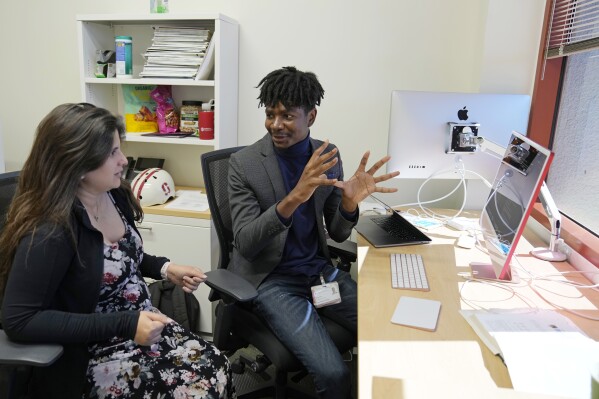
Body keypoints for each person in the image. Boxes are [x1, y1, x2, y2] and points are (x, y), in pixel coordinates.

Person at [0, 103, 235, 399]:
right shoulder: (51, 231)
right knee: (198, 388)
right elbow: (19, 320)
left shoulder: (113, 194)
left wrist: (165, 268)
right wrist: (125, 323)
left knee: (217, 365)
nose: (123, 160)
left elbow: (122, 258)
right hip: (94, 349)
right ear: (79, 162)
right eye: (112, 153)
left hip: (141, 325)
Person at [228, 66, 398, 398]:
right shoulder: (244, 164)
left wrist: (349, 204)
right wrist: (294, 197)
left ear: (312, 115)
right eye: (270, 115)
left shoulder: (327, 157)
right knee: (334, 375)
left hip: (319, 273)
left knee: (388, 330)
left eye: (287, 116)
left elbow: (336, 232)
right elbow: (246, 243)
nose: (276, 124)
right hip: (272, 281)